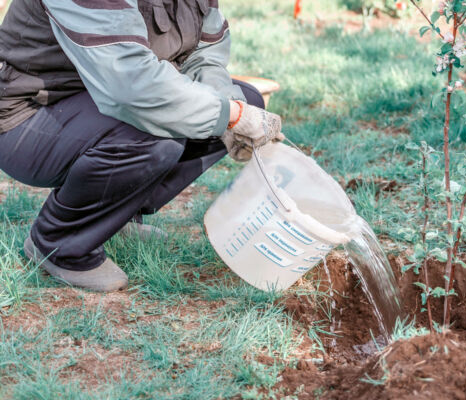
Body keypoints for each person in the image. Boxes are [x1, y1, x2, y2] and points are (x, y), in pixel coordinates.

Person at [0, 0, 284, 292]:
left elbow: (203, 58)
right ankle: (60, 244)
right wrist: (231, 117)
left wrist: (233, 108)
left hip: (99, 101)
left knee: (243, 99)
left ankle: (112, 217)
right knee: (157, 131)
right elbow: (132, 87)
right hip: (27, 115)